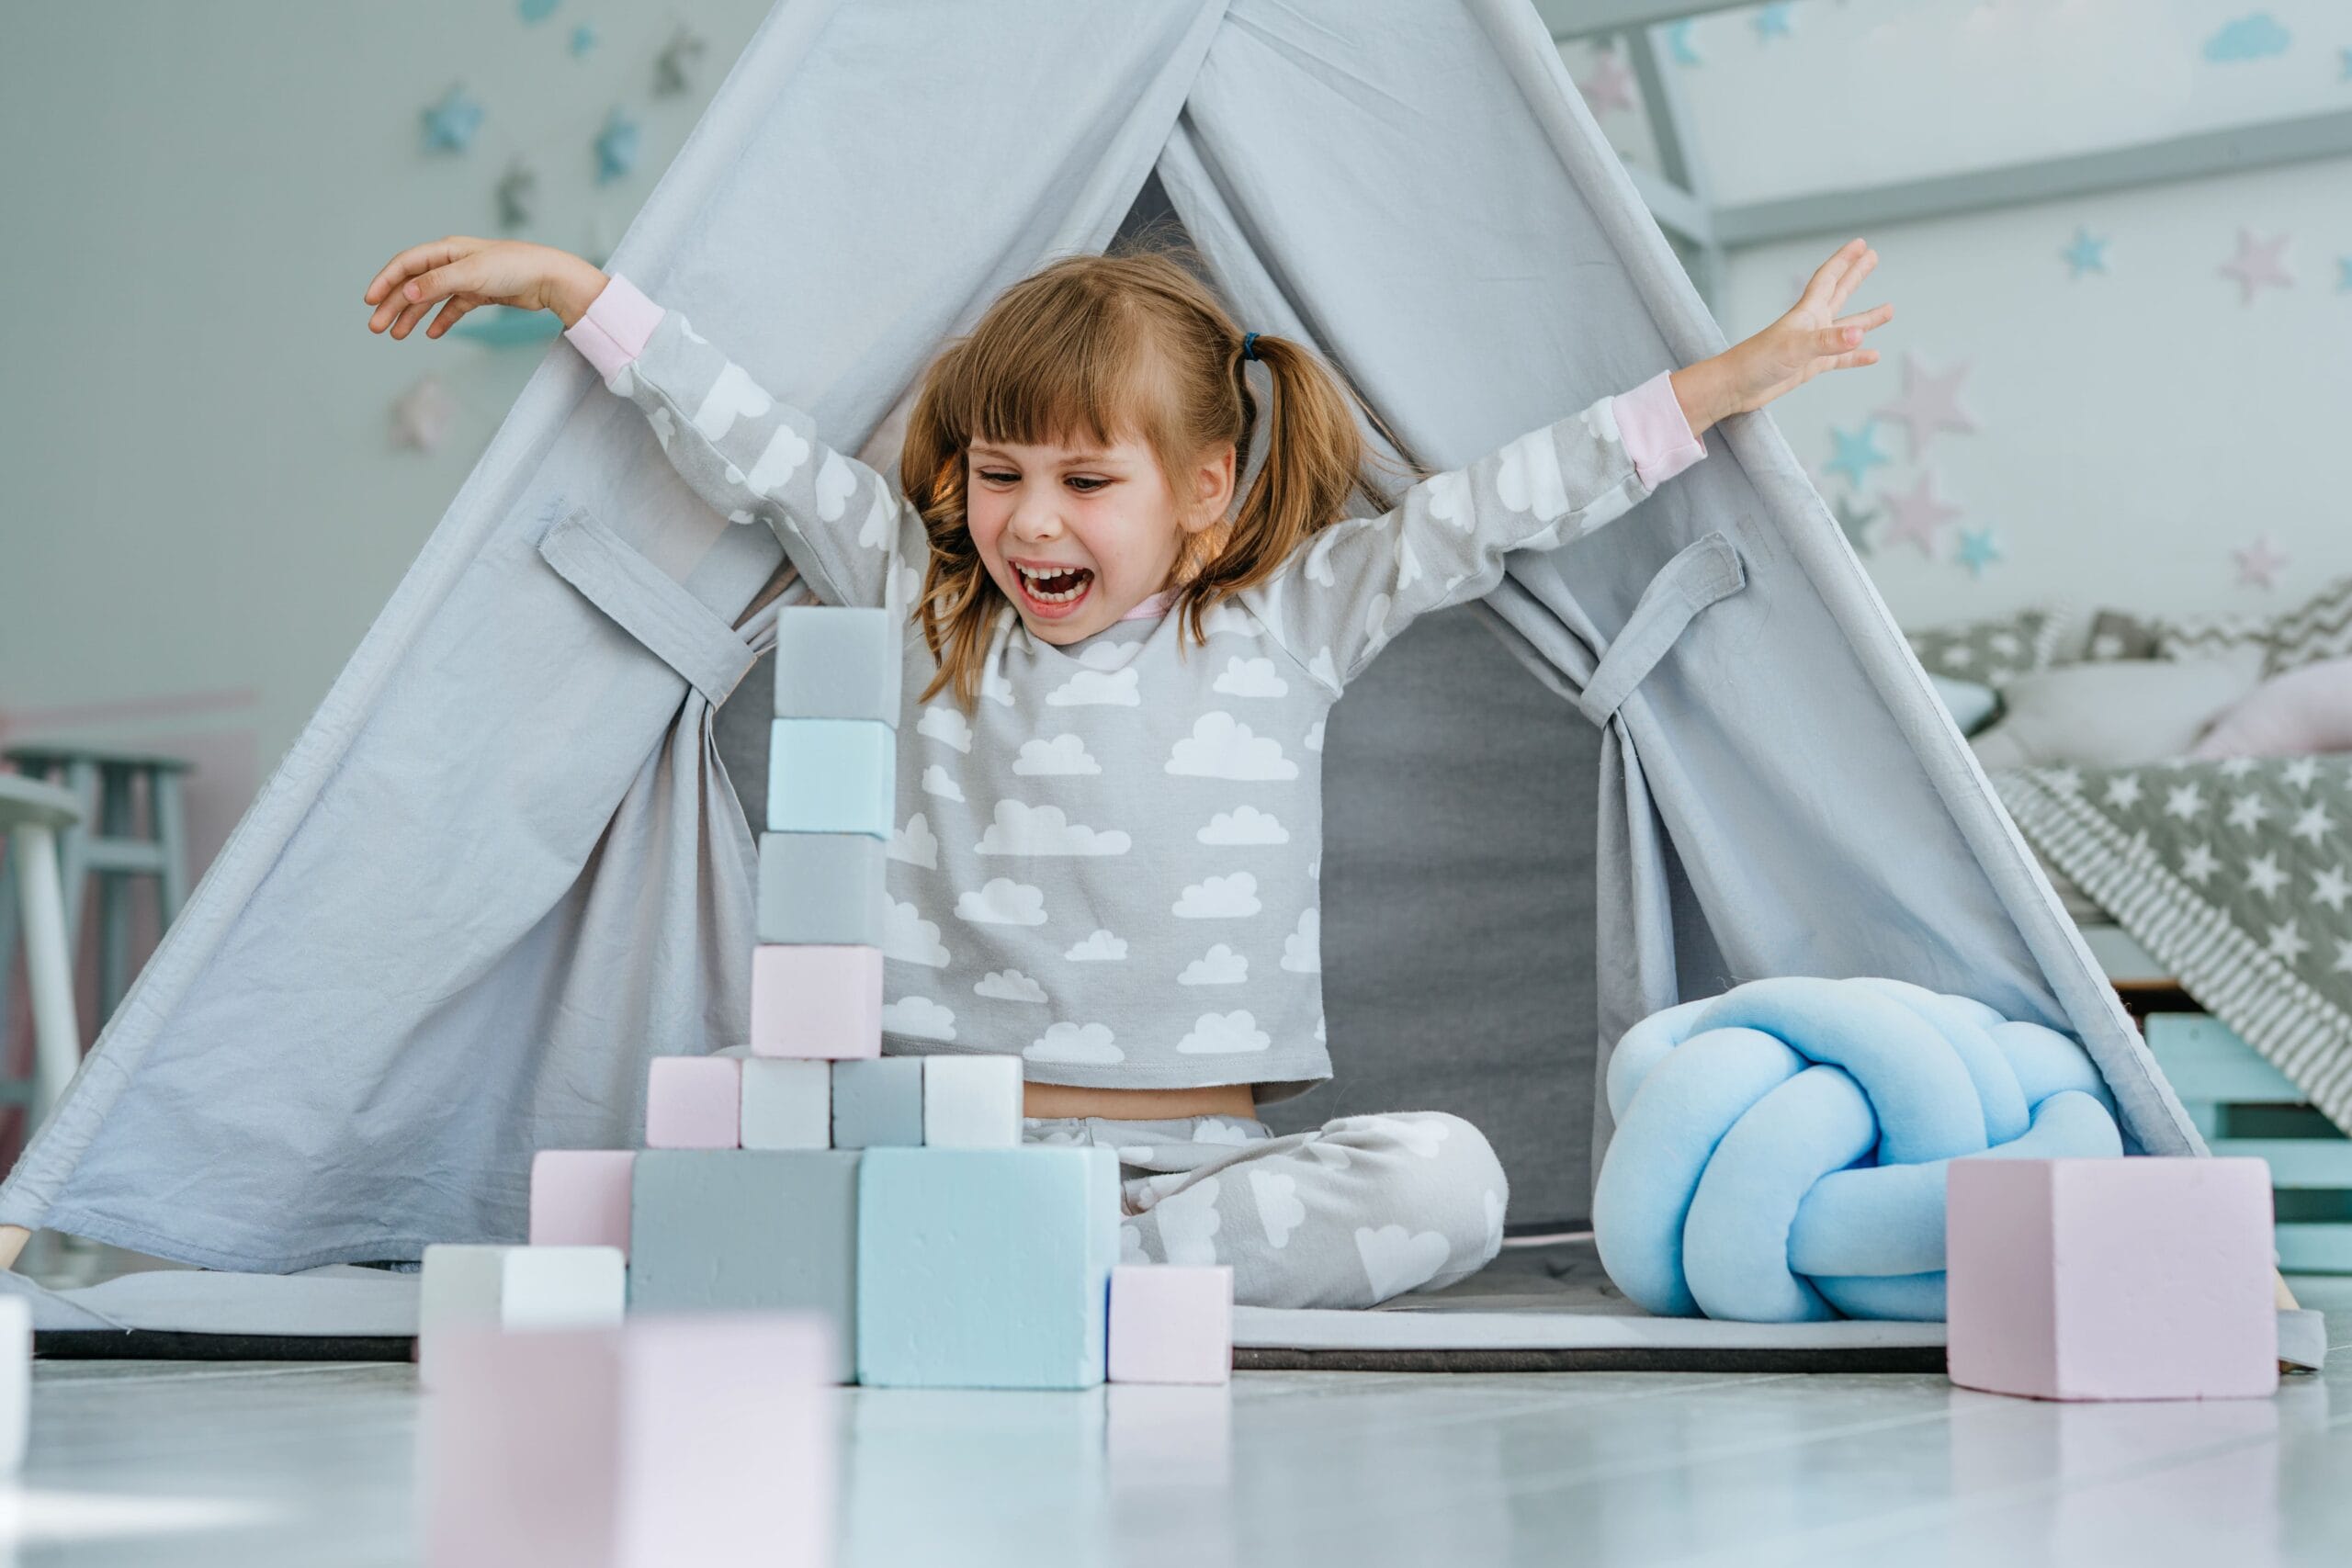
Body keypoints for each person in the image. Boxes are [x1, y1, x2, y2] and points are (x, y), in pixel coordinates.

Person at [359, 231, 1891, 1308]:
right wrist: (577, 293)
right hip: (948, 1151)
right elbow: (753, 449)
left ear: (1206, 495)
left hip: (1209, 1171)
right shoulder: (920, 596)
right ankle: (981, 1275)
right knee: (702, 1186)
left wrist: (1731, 382)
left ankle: (1051, 1292)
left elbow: (1499, 508)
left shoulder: (1296, 619)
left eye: (1088, 483)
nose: (1032, 523)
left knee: (1451, 1183)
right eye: (1001, 476)